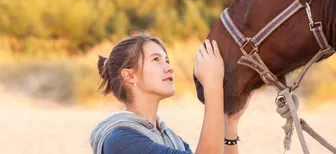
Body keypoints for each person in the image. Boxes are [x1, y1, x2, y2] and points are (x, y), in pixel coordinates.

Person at [89, 34, 253, 154]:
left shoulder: (171, 140)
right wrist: (213, 85)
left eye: (166, 60)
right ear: (130, 76)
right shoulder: (120, 140)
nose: (169, 67)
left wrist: (229, 124)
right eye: (156, 60)